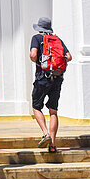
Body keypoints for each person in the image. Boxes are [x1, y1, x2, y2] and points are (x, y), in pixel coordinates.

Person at [30, 16, 72, 153]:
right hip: (57, 78)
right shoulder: (57, 39)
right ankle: (53, 145)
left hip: (43, 77)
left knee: (36, 107)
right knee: (53, 111)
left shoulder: (37, 38)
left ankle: (45, 133)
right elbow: (69, 57)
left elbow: (33, 55)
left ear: (39, 28)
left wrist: (39, 61)